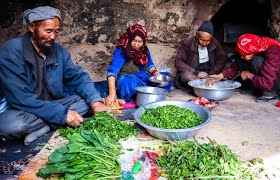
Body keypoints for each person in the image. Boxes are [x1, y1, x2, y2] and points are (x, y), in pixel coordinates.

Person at [0, 6, 111, 145]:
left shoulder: (59, 52)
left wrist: (96, 102)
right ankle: (52, 123)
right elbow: (21, 99)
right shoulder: (11, 51)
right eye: (48, 31)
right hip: (21, 109)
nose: (53, 36)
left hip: (51, 104)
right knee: (12, 126)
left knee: (85, 102)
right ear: (31, 27)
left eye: (56, 31)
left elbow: (79, 78)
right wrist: (62, 114)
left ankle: (45, 127)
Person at [208, 34, 280, 108]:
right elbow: (236, 66)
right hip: (268, 78)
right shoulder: (255, 48)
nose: (242, 56)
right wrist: (219, 76)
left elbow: (267, 82)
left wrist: (249, 75)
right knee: (244, 61)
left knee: (256, 61)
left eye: (245, 54)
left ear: (253, 49)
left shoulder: (274, 52)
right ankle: (256, 90)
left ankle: (271, 94)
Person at [105, 24, 160, 106]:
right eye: (134, 41)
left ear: (143, 41)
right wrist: (112, 93)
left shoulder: (144, 50)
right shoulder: (121, 50)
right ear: (129, 39)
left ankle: (138, 93)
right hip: (126, 79)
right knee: (127, 81)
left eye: (140, 42)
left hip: (139, 78)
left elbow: (150, 65)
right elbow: (112, 71)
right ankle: (131, 97)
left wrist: (155, 72)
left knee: (165, 78)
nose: (137, 44)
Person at [174, 20, 227, 89]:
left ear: (212, 38)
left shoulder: (215, 43)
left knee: (227, 72)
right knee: (186, 76)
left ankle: (203, 84)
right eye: (202, 40)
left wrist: (213, 73)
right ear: (197, 35)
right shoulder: (188, 43)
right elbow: (178, 62)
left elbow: (221, 59)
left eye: (208, 41)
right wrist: (197, 72)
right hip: (194, 72)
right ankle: (205, 84)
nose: (204, 43)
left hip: (210, 71)